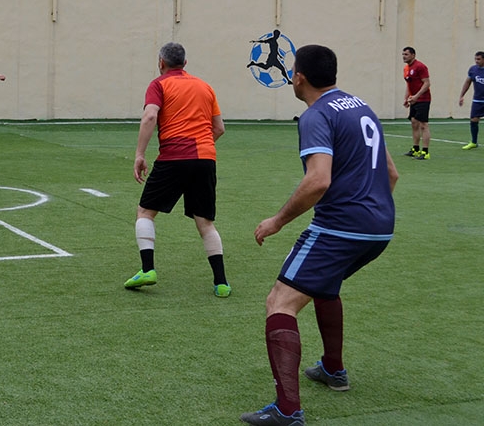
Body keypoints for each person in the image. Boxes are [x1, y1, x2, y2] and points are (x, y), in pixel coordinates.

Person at [240, 44, 398, 426]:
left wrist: (277, 221)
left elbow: (318, 180)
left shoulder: (316, 115)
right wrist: (370, 214)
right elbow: (391, 173)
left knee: (280, 302)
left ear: (299, 77)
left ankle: (287, 411)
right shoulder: (361, 107)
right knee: (325, 285)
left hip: (341, 227)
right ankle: (333, 369)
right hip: (380, 227)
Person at [124, 42, 230, 297]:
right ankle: (221, 283)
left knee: (145, 212)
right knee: (205, 223)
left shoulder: (158, 84)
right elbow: (219, 128)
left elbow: (150, 116)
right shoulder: (205, 87)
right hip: (205, 158)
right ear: (185, 63)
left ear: (161, 63)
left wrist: (140, 154)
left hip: (173, 157)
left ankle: (148, 269)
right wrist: (200, 148)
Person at [401, 46, 431, 159]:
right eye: (403, 54)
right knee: (414, 122)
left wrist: (416, 96)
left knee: (423, 125)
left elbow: (427, 83)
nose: (404, 56)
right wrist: (407, 98)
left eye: (406, 54)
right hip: (414, 99)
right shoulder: (406, 68)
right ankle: (415, 149)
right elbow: (409, 84)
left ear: (413, 55)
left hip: (423, 99)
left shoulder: (420, 66)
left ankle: (425, 152)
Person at [457, 50, 484, 150]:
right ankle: (473, 142)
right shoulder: (473, 70)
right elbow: (467, 82)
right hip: (477, 100)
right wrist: (461, 96)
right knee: (474, 120)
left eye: (479, 59)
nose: (476, 61)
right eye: (475, 59)